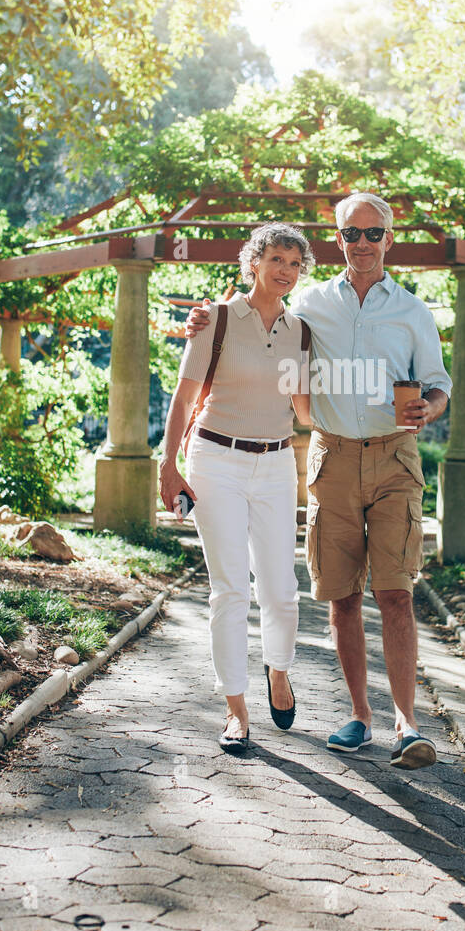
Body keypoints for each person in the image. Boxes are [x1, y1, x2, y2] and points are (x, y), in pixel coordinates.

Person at [186, 193, 451, 770]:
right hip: (330, 459)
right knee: (341, 595)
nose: (362, 243)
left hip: (394, 458)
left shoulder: (413, 311)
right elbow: (260, 319)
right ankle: (360, 716)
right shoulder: (307, 305)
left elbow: (437, 383)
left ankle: (408, 725)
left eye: (373, 233)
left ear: (389, 239)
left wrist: (428, 408)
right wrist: (204, 318)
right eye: (351, 234)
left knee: (397, 593)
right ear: (338, 240)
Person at [159, 223, 313, 753]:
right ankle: (236, 709)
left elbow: (304, 409)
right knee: (230, 588)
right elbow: (183, 400)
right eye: (276, 259)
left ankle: (278, 671)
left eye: (295, 263)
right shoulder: (216, 319)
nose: (285, 271)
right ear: (253, 262)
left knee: (281, 590)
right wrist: (167, 464)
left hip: (275, 465)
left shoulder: (301, 332)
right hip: (214, 460)